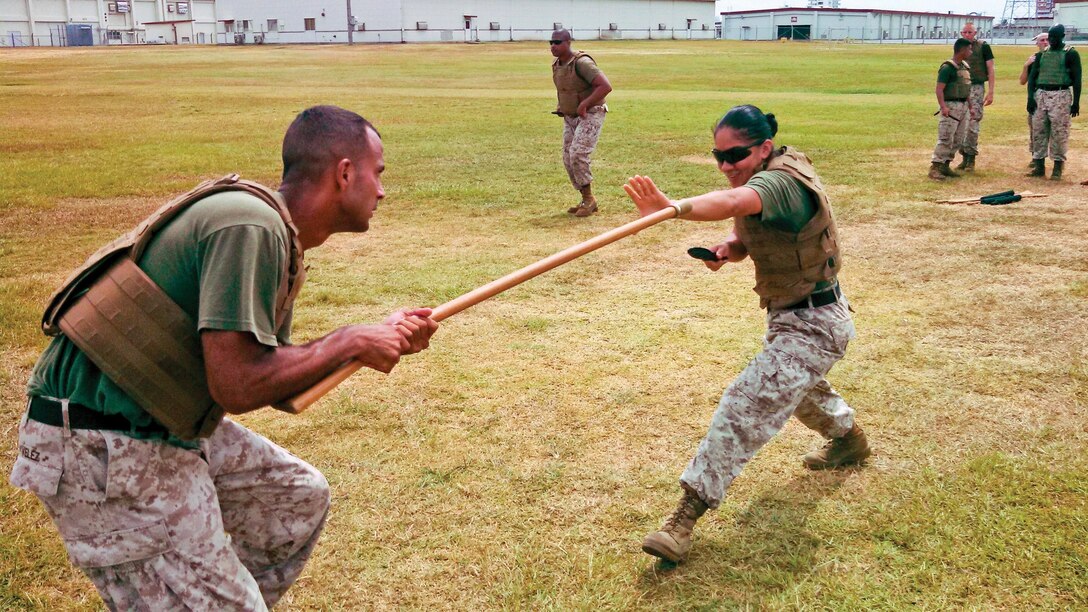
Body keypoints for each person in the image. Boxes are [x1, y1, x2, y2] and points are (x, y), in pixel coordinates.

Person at [9, 105, 439, 609]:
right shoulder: (249, 226)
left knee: (295, 498)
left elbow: (272, 381)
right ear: (345, 173)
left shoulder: (274, 234)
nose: (382, 190)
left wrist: (370, 341)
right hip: (99, 442)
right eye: (378, 173)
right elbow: (236, 384)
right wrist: (348, 341)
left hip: (156, 424)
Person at [623, 105, 871, 564]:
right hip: (788, 319)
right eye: (717, 156)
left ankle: (683, 520)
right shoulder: (756, 179)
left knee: (747, 403)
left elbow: (736, 203)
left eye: (734, 155)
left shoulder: (781, 182)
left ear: (763, 148)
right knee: (798, 393)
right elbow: (744, 234)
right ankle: (850, 440)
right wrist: (726, 249)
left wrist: (673, 209)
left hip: (817, 324)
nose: (725, 165)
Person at [551, 28, 612, 217]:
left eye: (558, 42)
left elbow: (605, 86)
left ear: (568, 42)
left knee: (578, 154)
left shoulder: (582, 62)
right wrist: (562, 105)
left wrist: (585, 103)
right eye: (551, 42)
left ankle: (589, 199)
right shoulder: (558, 64)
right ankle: (585, 198)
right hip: (570, 116)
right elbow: (566, 88)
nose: (553, 46)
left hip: (590, 114)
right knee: (568, 158)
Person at [1027, 24, 1082, 180]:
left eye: (1055, 37)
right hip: (1041, 94)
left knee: (1059, 132)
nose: (1051, 40)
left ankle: (1057, 167)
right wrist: (1030, 98)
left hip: (1061, 94)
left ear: (1062, 36)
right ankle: (1038, 166)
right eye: (1050, 37)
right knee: (1038, 131)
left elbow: (1077, 79)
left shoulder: (1071, 54)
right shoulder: (1041, 55)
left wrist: (1076, 102)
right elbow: (1032, 78)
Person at [930, 38, 975, 181]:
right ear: (962, 50)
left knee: (958, 138)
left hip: (963, 107)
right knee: (946, 137)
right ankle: (936, 166)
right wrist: (943, 107)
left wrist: (970, 106)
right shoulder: (947, 68)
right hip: (951, 106)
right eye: (969, 49)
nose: (971, 52)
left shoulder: (964, 67)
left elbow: (966, 88)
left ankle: (946, 164)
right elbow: (939, 89)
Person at [955, 22, 995, 172]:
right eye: (964, 32)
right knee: (960, 123)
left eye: (970, 32)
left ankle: (971, 157)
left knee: (973, 122)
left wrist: (990, 91)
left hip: (976, 87)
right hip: (961, 88)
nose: (967, 35)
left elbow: (990, 69)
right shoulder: (959, 47)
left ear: (975, 33)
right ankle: (963, 156)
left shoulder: (983, 46)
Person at [1021, 32, 1050, 164]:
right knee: (1035, 129)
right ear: (1037, 44)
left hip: (1052, 97)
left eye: (1047, 40)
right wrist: (1026, 66)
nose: (1045, 42)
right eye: (1042, 40)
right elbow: (1022, 81)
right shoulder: (1033, 59)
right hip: (1036, 98)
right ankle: (1035, 157)